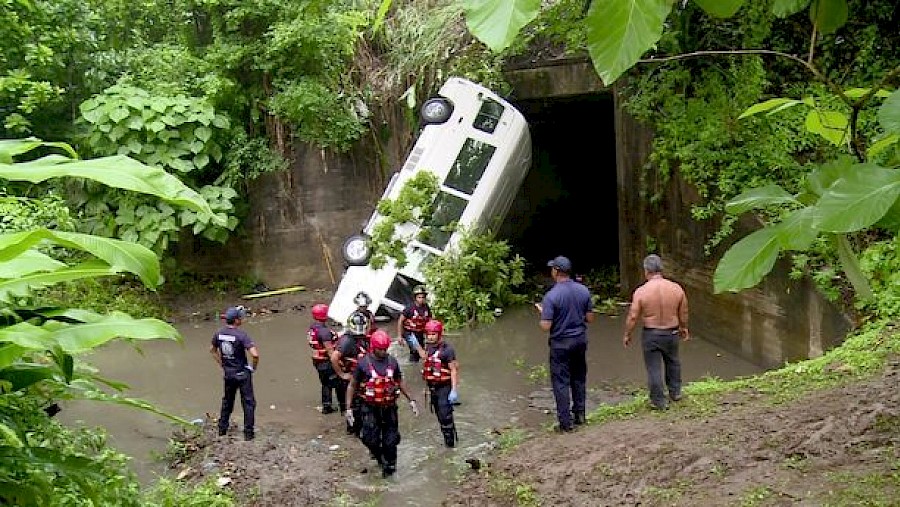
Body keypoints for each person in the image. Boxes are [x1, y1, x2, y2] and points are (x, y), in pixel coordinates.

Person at [346, 329, 419, 477]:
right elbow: (352, 385)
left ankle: (390, 471)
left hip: (389, 408)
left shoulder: (392, 362)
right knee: (369, 438)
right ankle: (379, 457)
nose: (383, 352)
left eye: (385, 349)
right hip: (369, 407)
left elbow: (399, 381)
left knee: (391, 441)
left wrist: (411, 400)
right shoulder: (363, 364)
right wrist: (348, 408)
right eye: (380, 349)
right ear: (373, 347)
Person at [623, 254, 690, 411]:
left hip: (651, 333)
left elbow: (633, 316)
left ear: (646, 271)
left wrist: (628, 334)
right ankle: (675, 392)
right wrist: (684, 327)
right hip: (671, 331)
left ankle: (659, 401)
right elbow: (684, 311)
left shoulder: (641, 292)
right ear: (661, 269)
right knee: (673, 361)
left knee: (654, 367)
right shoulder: (676, 288)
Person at [536, 256, 594, 432]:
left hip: (560, 344)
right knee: (578, 378)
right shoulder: (583, 291)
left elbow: (546, 326)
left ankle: (565, 423)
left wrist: (542, 313)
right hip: (579, 341)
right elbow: (590, 318)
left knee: (561, 382)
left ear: (556, 271)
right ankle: (580, 415)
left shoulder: (551, 296)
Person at [405, 319, 459, 447]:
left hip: (444, 387)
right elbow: (425, 357)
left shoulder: (447, 350)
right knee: (440, 416)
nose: (430, 336)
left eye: (433, 334)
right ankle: (450, 439)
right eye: (428, 334)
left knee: (445, 417)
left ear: (439, 334)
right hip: (433, 387)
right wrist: (416, 345)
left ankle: (450, 447)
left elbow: (453, 370)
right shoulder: (429, 346)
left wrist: (454, 390)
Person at [211, 305, 259, 440]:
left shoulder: (219, 333)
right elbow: (255, 354)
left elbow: (212, 350)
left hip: (228, 374)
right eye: (240, 317)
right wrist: (252, 368)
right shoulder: (242, 335)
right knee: (248, 403)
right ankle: (248, 434)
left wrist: (222, 364)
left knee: (227, 401)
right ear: (237, 320)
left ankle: (222, 430)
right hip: (242, 373)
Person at [331, 310, 371, 436]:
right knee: (353, 405)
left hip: (359, 377)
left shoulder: (361, 338)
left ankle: (358, 428)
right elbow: (334, 357)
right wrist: (342, 374)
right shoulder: (347, 341)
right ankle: (353, 430)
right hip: (350, 378)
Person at [308, 303, 343, 414]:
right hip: (326, 362)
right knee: (338, 383)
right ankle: (343, 407)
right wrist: (339, 363)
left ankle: (326, 405)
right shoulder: (324, 332)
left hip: (317, 361)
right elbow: (330, 350)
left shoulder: (313, 328)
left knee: (325, 384)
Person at [397, 285, 432, 362]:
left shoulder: (426, 307)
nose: (421, 299)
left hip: (420, 332)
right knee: (419, 351)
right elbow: (400, 320)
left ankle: (413, 367)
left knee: (417, 354)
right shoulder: (409, 308)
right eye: (419, 297)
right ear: (415, 298)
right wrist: (399, 336)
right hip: (409, 332)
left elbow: (429, 320)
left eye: (423, 297)